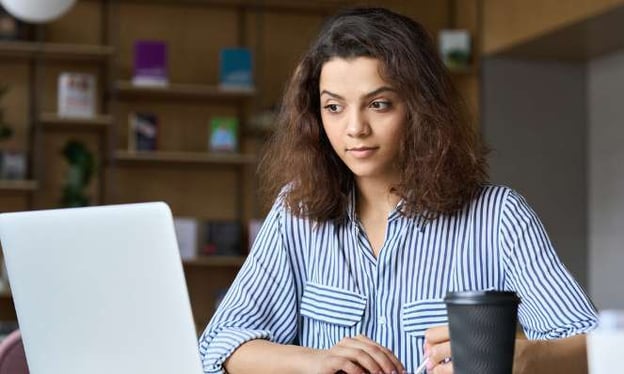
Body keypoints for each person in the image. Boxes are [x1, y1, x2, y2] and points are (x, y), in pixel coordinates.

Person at [199, 7, 597, 374]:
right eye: (333, 107)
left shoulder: (498, 216)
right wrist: (315, 361)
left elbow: (594, 345)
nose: (354, 128)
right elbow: (218, 345)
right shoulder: (295, 212)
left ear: (420, 108)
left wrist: (527, 358)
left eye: (379, 104)